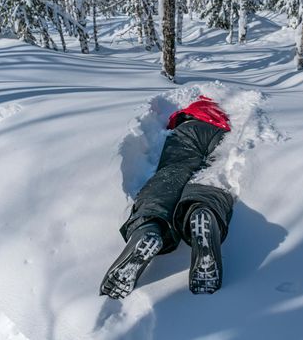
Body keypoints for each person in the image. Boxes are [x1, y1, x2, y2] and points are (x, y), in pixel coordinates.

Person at [100, 95, 235, 299]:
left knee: (169, 176)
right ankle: (203, 211)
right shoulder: (220, 114)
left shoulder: (188, 113)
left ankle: (150, 227)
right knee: (211, 177)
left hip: (187, 133)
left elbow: (172, 120)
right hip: (219, 134)